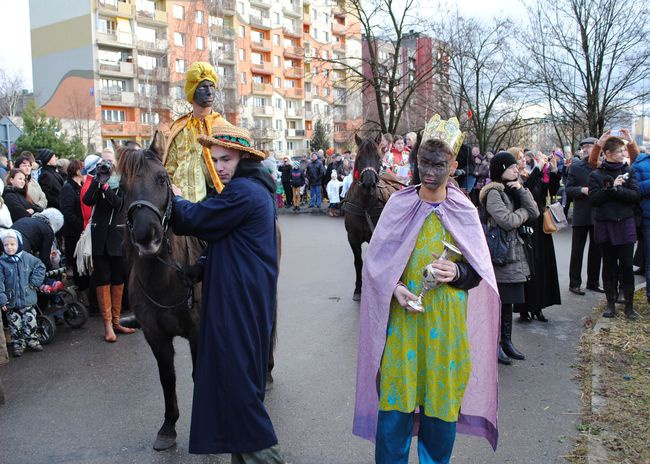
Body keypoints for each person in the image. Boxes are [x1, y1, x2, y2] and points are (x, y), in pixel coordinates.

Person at [353, 138, 500, 462]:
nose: (430, 172)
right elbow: (375, 265)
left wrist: (457, 273)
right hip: (404, 325)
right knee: (395, 402)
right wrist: (393, 286)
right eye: (424, 163)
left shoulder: (463, 210)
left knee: (440, 403)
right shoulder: (398, 206)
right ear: (415, 162)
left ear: (453, 167)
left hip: (446, 328)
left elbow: (479, 272)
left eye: (438, 165)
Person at [170, 124, 285, 462]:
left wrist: (175, 197)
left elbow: (196, 218)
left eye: (226, 159)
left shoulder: (244, 192)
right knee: (237, 379)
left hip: (239, 303)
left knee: (238, 384)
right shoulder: (253, 189)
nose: (218, 166)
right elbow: (233, 240)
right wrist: (202, 265)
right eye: (215, 159)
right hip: (243, 298)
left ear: (244, 158)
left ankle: (268, 457)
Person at [480, 152, 540, 365]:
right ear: (501, 169)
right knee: (500, 301)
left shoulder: (513, 189)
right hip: (501, 253)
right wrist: (523, 213)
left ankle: (507, 341)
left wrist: (522, 190)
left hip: (514, 251)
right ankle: (495, 344)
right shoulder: (494, 193)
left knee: (508, 302)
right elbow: (505, 220)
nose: (517, 170)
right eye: (512, 167)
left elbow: (535, 211)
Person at [82, 151, 135, 342]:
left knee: (118, 278)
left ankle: (116, 321)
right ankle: (107, 326)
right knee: (102, 278)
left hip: (118, 237)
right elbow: (87, 200)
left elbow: (119, 205)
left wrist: (106, 187)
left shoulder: (124, 182)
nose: (107, 165)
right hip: (99, 237)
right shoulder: (98, 180)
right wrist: (97, 182)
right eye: (103, 162)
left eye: (110, 162)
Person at [589, 134, 640, 320]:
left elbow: (635, 196)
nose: (622, 153)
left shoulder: (629, 171)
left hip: (625, 224)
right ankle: (610, 304)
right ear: (608, 153)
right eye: (619, 151)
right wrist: (609, 189)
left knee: (627, 266)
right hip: (605, 225)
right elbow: (594, 200)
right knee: (608, 265)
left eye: (623, 150)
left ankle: (629, 306)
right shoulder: (596, 174)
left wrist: (617, 189)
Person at [163, 61, 231, 202]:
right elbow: (169, 167)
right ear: (192, 92)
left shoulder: (223, 126)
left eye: (212, 86)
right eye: (203, 87)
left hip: (213, 203)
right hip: (177, 202)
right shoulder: (179, 127)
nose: (209, 91)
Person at [514, 150, 562, 322]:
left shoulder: (532, 174)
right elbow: (525, 193)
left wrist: (554, 171)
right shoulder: (517, 178)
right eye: (519, 158)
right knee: (528, 267)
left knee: (542, 266)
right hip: (526, 225)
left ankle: (538, 306)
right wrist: (537, 169)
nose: (523, 160)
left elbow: (551, 190)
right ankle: (524, 308)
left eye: (523, 158)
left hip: (540, 225)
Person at [0, 229, 46, 357]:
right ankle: (18, 345)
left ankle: (32, 341)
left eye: (12, 244)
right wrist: (2, 299)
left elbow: (40, 266)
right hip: (11, 301)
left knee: (30, 321)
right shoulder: (2, 262)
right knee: (15, 325)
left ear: (19, 244)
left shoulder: (27, 257)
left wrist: (34, 282)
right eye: (6, 245)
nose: (9, 247)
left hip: (27, 298)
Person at [566, 137, 603, 295]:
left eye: (590, 146)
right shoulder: (576, 167)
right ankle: (574, 283)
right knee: (577, 250)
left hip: (598, 214)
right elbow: (569, 189)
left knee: (596, 251)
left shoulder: (602, 166)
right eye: (585, 147)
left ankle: (593, 282)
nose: (587, 149)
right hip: (581, 213)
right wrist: (582, 190)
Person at [59, 160, 86, 287]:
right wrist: (82, 225)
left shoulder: (79, 186)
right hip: (73, 232)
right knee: (77, 263)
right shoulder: (68, 188)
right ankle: (80, 288)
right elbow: (68, 212)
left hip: (80, 230)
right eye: (82, 168)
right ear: (77, 170)